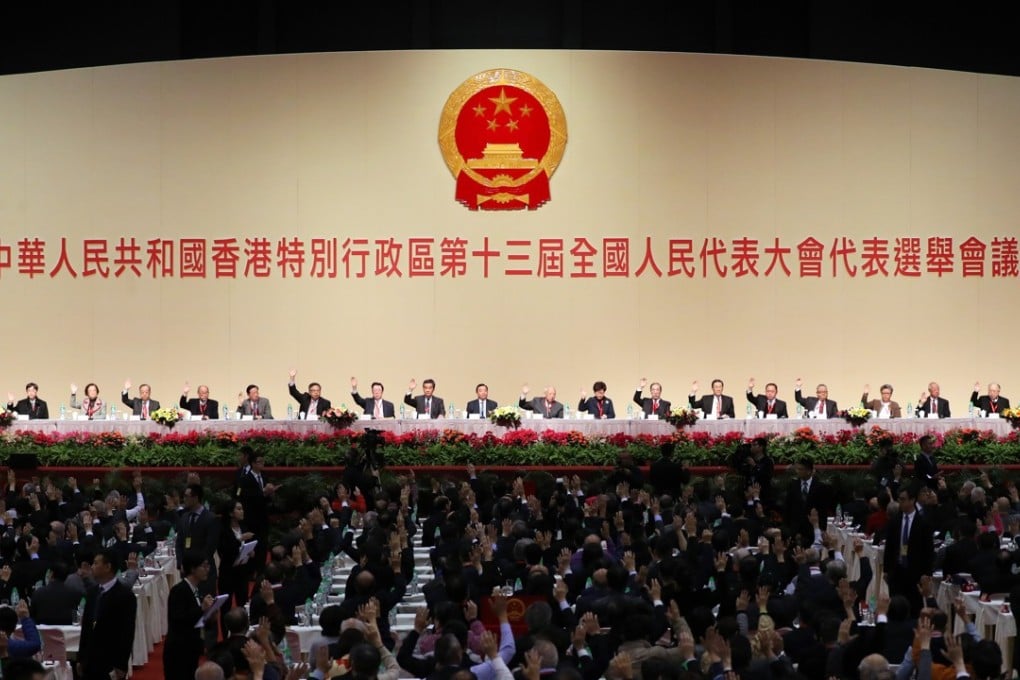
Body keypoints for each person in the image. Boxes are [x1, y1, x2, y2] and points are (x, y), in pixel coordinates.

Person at [78, 548, 136, 680]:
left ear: (108, 567)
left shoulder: (125, 595)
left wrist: (121, 665)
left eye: (95, 563)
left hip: (110, 661)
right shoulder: (92, 592)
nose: (92, 567)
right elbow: (86, 627)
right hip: (89, 661)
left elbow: (127, 632)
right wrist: (81, 658)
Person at [164, 551, 216, 680]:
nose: (207, 570)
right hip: (178, 651)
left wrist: (209, 615)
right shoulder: (179, 590)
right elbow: (178, 619)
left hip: (191, 648)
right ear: (192, 568)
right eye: (204, 566)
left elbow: (196, 619)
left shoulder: (196, 589)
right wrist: (202, 608)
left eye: (208, 566)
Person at [882, 484, 933, 615]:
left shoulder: (923, 523)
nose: (901, 502)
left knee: (914, 609)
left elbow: (928, 551)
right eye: (899, 499)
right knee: (895, 608)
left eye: (903, 499)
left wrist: (927, 574)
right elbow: (889, 546)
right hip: (896, 571)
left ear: (912, 500)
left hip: (915, 573)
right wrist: (887, 570)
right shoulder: (895, 521)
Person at [176, 484, 220, 597]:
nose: (184, 499)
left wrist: (196, 566)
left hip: (204, 571)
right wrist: (181, 562)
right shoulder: (184, 517)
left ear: (195, 498)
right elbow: (179, 543)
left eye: (186, 496)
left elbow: (210, 547)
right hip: (187, 572)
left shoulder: (211, 518)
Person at [238, 453, 276, 576]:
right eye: (259, 462)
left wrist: (270, 494)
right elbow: (245, 497)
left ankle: (261, 571)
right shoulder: (245, 479)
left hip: (263, 517)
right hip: (251, 518)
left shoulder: (264, 477)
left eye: (263, 462)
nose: (262, 464)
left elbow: (267, 499)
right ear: (253, 463)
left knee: (263, 545)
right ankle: (250, 571)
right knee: (252, 544)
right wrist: (262, 493)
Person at [217, 499, 254, 611]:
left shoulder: (244, 527)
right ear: (230, 513)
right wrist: (240, 539)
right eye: (238, 509)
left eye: (242, 508)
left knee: (243, 603)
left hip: (242, 571)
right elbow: (224, 550)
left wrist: (251, 551)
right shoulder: (223, 530)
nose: (242, 511)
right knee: (226, 606)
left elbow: (247, 545)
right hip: (228, 572)